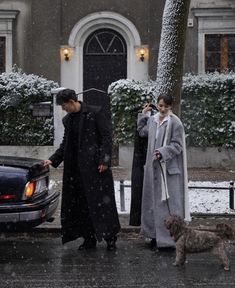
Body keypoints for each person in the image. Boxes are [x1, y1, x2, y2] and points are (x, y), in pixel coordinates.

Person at [43, 89, 120, 251]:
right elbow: (66, 144)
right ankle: (89, 238)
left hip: (97, 170)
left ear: (72, 102)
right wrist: (52, 159)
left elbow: (106, 137)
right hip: (77, 172)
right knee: (83, 206)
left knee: (102, 205)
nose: (63, 109)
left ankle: (110, 238)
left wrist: (105, 160)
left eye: (64, 106)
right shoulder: (68, 120)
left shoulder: (95, 113)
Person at [137, 94, 191, 250]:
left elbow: (177, 145)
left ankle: (169, 239)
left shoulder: (175, 123)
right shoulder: (153, 120)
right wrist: (144, 114)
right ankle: (154, 236)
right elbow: (142, 132)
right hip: (152, 169)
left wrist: (162, 152)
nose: (162, 109)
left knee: (168, 205)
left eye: (166, 106)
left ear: (170, 107)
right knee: (152, 204)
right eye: (160, 106)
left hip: (167, 171)